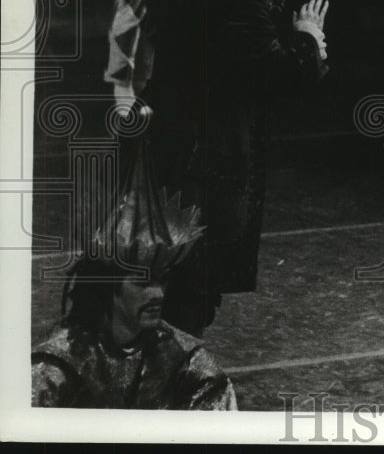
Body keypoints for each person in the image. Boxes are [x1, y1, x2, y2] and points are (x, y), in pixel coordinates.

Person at [146, 0, 330, 337]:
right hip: (208, 151)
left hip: (171, 138)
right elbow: (277, 75)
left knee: (172, 270)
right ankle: (173, 380)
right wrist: (308, 37)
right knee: (195, 279)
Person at [31, 136, 238, 409]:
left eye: (161, 280)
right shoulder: (58, 365)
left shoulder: (187, 363)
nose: (158, 294)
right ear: (108, 286)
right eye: (142, 282)